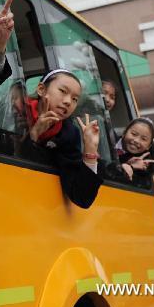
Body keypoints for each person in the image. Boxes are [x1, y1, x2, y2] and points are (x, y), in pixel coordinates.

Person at [19, 69, 103, 209]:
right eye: (63, 91)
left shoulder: (69, 134)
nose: (68, 102)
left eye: (75, 99)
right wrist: (34, 134)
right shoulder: (16, 111)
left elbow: (82, 197)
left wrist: (90, 149)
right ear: (41, 89)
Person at [115, 117, 154, 186]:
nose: (136, 140)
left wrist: (131, 167)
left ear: (148, 146)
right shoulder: (107, 139)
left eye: (143, 139)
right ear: (124, 132)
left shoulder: (143, 167)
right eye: (134, 134)